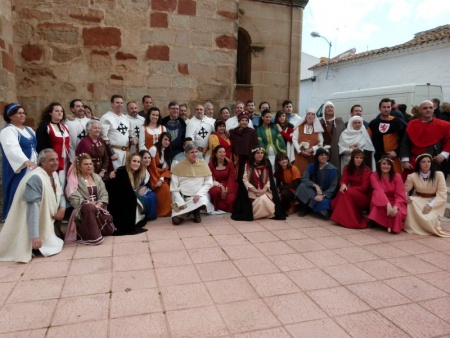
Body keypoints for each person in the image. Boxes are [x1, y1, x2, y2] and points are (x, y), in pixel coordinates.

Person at [0, 149, 65, 263]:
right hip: (30, 222)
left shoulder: (53, 174)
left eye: (56, 159)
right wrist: (34, 236)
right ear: (42, 162)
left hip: (49, 220)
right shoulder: (36, 178)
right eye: (51, 160)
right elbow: (32, 208)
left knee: (58, 243)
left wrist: (62, 208)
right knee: (52, 248)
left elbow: (60, 193)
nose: (55, 162)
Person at [65, 153, 115, 245]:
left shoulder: (96, 177)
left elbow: (104, 193)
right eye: (86, 164)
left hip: (98, 207)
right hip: (82, 210)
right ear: (79, 167)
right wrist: (89, 203)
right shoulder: (74, 179)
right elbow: (73, 198)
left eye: (90, 164)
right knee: (89, 208)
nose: (89, 166)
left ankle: (98, 231)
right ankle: (93, 237)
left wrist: (99, 204)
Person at [0, 103, 38, 221]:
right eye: (19, 113)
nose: (22, 115)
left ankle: (30, 219)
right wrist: (25, 161)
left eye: (23, 113)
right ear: (10, 116)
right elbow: (12, 148)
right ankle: (14, 220)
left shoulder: (29, 130)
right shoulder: (8, 131)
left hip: (32, 166)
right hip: (18, 168)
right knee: (17, 192)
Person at [231, 147, 285, 221]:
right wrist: (256, 191)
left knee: (264, 198)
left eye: (262, 153)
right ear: (253, 154)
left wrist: (263, 190)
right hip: (251, 191)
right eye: (258, 153)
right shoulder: (247, 165)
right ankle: (256, 214)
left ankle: (266, 213)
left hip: (264, 190)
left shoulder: (266, 164)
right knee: (261, 200)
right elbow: (245, 180)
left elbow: (269, 180)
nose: (260, 155)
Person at [400, 100, 450, 179]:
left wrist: (443, 154)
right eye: (425, 108)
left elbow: (448, 140)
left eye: (431, 108)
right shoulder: (412, 124)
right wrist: (405, 160)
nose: (428, 110)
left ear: (434, 109)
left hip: (434, 162)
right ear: (420, 110)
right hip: (414, 162)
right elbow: (405, 143)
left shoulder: (444, 125)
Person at [404, 153, 450, 237]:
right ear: (419, 164)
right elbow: (405, 190)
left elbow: (442, 193)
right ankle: (414, 226)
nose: (426, 164)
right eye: (423, 162)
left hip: (434, 201)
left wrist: (430, 205)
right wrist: (405, 197)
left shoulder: (439, 175)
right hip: (418, 200)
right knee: (410, 200)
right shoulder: (412, 176)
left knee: (430, 220)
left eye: (429, 161)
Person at [106, 153, 149, 235]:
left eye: (138, 162)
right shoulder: (122, 171)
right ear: (129, 162)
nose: (136, 164)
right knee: (133, 200)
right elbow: (123, 193)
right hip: (114, 201)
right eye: (134, 161)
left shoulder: (134, 174)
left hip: (121, 199)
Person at [170, 144, 213, 225]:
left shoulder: (203, 164)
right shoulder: (178, 167)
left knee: (203, 202)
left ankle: (196, 211)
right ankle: (191, 211)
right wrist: (181, 202)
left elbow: (208, 183)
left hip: (199, 198)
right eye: (192, 152)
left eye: (196, 152)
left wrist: (199, 194)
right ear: (186, 154)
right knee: (176, 221)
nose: (195, 154)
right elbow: (174, 188)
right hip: (184, 199)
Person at [330, 149, 372, 229]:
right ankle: (341, 218)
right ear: (352, 158)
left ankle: (347, 220)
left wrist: (348, 188)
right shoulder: (347, 168)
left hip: (363, 196)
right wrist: (343, 185)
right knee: (342, 191)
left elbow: (364, 188)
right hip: (351, 193)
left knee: (346, 191)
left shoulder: (366, 170)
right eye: (357, 157)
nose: (359, 160)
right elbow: (343, 180)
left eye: (361, 158)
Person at [295, 148, 338, 219]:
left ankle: (310, 206)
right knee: (302, 186)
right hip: (313, 192)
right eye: (321, 155)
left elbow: (333, 188)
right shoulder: (312, 166)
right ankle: (306, 207)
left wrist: (322, 196)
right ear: (317, 157)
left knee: (324, 208)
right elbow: (304, 178)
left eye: (325, 155)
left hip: (325, 195)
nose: (324, 157)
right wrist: (315, 186)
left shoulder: (333, 170)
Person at [368, 156, 406, 233]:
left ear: (391, 166)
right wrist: (387, 204)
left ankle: (392, 226)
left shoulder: (397, 176)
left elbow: (400, 194)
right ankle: (379, 222)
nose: (386, 166)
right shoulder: (374, 176)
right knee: (379, 207)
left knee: (397, 213)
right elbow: (378, 191)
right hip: (380, 199)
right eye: (384, 164)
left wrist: (396, 206)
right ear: (379, 165)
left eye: (388, 164)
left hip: (394, 201)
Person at [36, 102, 70, 186]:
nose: (60, 113)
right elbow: (41, 147)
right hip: (52, 162)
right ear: (50, 113)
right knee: (53, 184)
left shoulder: (64, 127)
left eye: (61, 111)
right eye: (57, 111)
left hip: (65, 162)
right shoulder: (45, 127)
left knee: (63, 184)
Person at [367, 98, 405, 173]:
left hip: (394, 158)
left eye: (388, 107)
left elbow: (405, 140)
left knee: (395, 179)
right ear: (379, 108)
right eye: (384, 107)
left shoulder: (398, 122)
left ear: (391, 108)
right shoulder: (373, 124)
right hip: (378, 159)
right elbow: (367, 141)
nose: (386, 109)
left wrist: (396, 152)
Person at [100, 94, 135, 169]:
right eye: (117, 102)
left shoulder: (126, 118)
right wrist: (111, 153)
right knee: (115, 175)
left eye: (121, 103)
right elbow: (104, 138)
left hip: (126, 152)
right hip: (114, 152)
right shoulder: (107, 118)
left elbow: (130, 135)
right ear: (112, 104)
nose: (120, 104)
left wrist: (132, 141)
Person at [293, 108, 324, 174]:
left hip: (312, 157)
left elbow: (321, 142)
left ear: (315, 117)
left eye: (313, 114)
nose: (310, 116)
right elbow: (294, 139)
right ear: (306, 116)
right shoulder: (299, 127)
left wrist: (312, 149)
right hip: (300, 156)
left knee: (311, 175)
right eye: (309, 114)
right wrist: (300, 151)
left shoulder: (317, 129)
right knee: (299, 174)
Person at [149, 132, 173, 217]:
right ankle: (162, 212)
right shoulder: (153, 149)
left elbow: (166, 169)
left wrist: (161, 179)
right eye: (165, 139)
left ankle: (166, 211)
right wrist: (157, 180)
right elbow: (151, 167)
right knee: (165, 188)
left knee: (168, 186)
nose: (167, 142)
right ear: (161, 139)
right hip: (152, 176)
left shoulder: (167, 152)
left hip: (160, 176)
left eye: (169, 140)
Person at [208, 145, 238, 212]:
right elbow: (210, 177)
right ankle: (216, 205)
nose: (223, 154)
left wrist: (227, 188)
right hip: (216, 184)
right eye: (220, 152)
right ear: (216, 154)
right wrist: (221, 186)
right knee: (215, 191)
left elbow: (232, 177)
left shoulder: (229, 163)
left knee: (231, 199)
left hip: (229, 183)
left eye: (224, 152)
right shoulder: (211, 164)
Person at [320, 101, 345, 172]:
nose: (330, 109)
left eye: (331, 107)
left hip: (336, 149)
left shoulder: (339, 121)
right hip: (324, 148)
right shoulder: (320, 122)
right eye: (327, 107)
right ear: (324, 109)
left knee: (335, 167)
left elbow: (344, 135)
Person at [137, 150, 158, 221]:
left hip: (142, 189)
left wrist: (145, 187)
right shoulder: (137, 169)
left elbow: (146, 183)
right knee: (146, 199)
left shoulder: (147, 170)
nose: (147, 160)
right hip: (135, 191)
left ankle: (150, 217)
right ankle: (142, 216)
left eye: (149, 158)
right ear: (140, 159)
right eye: (145, 158)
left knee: (153, 195)